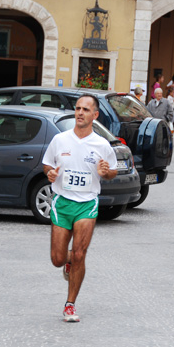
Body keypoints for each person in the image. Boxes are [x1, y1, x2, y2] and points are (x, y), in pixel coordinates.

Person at [42, 94, 118, 322]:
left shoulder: (102, 145)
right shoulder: (60, 140)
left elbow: (112, 171)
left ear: (95, 115)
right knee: (57, 258)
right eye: (78, 109)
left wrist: (106, 173)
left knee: (80, 254)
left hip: (87, 203)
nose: (80, 113)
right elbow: (46, 163)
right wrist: (49, 173)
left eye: (86, 109)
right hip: (62, 202)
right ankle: (68, 262)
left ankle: (70, 305)